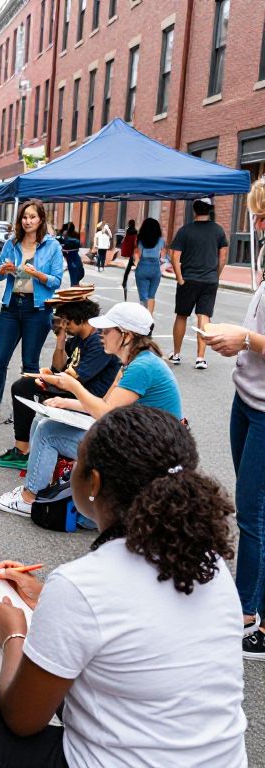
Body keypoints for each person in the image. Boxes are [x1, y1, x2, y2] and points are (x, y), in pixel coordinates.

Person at [0, 405, 247, 767]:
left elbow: (21, 720)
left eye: (76, 460)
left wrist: (13, 634)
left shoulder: (84, 584)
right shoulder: (206, 561)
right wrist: (42, 598)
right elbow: (135, 625)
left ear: (92, 482)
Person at [0, 302, 182, 516]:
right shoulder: (136, 362)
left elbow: (105, 412)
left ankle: (30, 499)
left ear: (126, 336)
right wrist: (65, 402)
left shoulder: (142, 367)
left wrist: (73, 386)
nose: (101, 334)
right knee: (43, 420)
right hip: (142, 445)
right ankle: (41, 490)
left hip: (146, 455)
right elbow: (104, 402)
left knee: (48, 431)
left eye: (107, 330)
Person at [204, 176, 265, 660]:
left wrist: (243, 339)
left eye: (264, 215)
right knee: (250, 509)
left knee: (253, 511)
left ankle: (249, 611)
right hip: (247, 397)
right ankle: (247, 603)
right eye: (257, 214)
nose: (258, 224)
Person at [0, 298, 120, 470]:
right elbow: (58, 367)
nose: (64, 325)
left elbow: (71, 380)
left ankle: (22, 451)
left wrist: (41, 377)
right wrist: (60, 340)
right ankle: (24, 449)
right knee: (26, 386)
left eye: (67, 321)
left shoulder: (97, 342)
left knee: (24, 386)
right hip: (76, 388)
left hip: (86, 395)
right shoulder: (80, 338)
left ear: (81, 319)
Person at [0, 199, 63, 419]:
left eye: (32, 217)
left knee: (30, 363)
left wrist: (38, 275)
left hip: (38, 309)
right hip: (12, 306)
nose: (27, 221)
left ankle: (26, 408)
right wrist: (4, 270)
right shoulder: (11, 243)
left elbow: (56, 281)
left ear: (41, 219)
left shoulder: (51, 246)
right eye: (24, 217)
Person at [168, 197, 228, 370]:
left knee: (181, 315)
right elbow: (222, 257)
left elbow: (175, 256)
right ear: (209, 210)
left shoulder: (185, 230)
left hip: (188, 279)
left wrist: (179, 278)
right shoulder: (218, 230)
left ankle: (177, 354)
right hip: (209, 280)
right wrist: (216, 275)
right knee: (204, 316)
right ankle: (200, 358)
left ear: (194, 210)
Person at [132, 217, 166, 313]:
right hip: (155, 268)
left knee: (143, 296)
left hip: (143, 266)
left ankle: (143, 318)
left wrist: (137, 264)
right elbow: (163, 255)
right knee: (151, 295)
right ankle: (150, 317)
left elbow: (137, 254)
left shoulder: (140, 240)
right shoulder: (160, 240)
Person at [119, 219, 138, 298]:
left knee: (128, 269)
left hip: (130, 252)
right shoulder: (136, 232)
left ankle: (124, 281)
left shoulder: (127, 231)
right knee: (138, 267)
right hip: (134, 252)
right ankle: (137, 282)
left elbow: (125, 240)